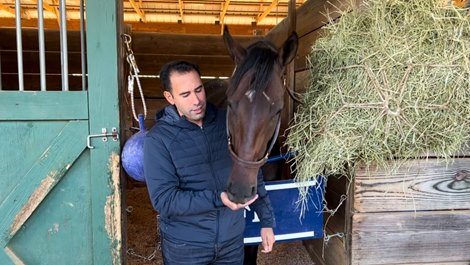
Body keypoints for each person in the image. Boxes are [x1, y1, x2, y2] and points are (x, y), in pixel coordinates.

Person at [144, 60, 276, 265]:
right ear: (169, 97)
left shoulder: (229, 123)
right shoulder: (158, 140)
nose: (196, 100)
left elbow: (251, 170)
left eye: (199, 90)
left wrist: (267, 222)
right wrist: (218, 198)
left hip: (231, 244)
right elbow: (164, 200)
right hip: (186, 248)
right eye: (185, 95)